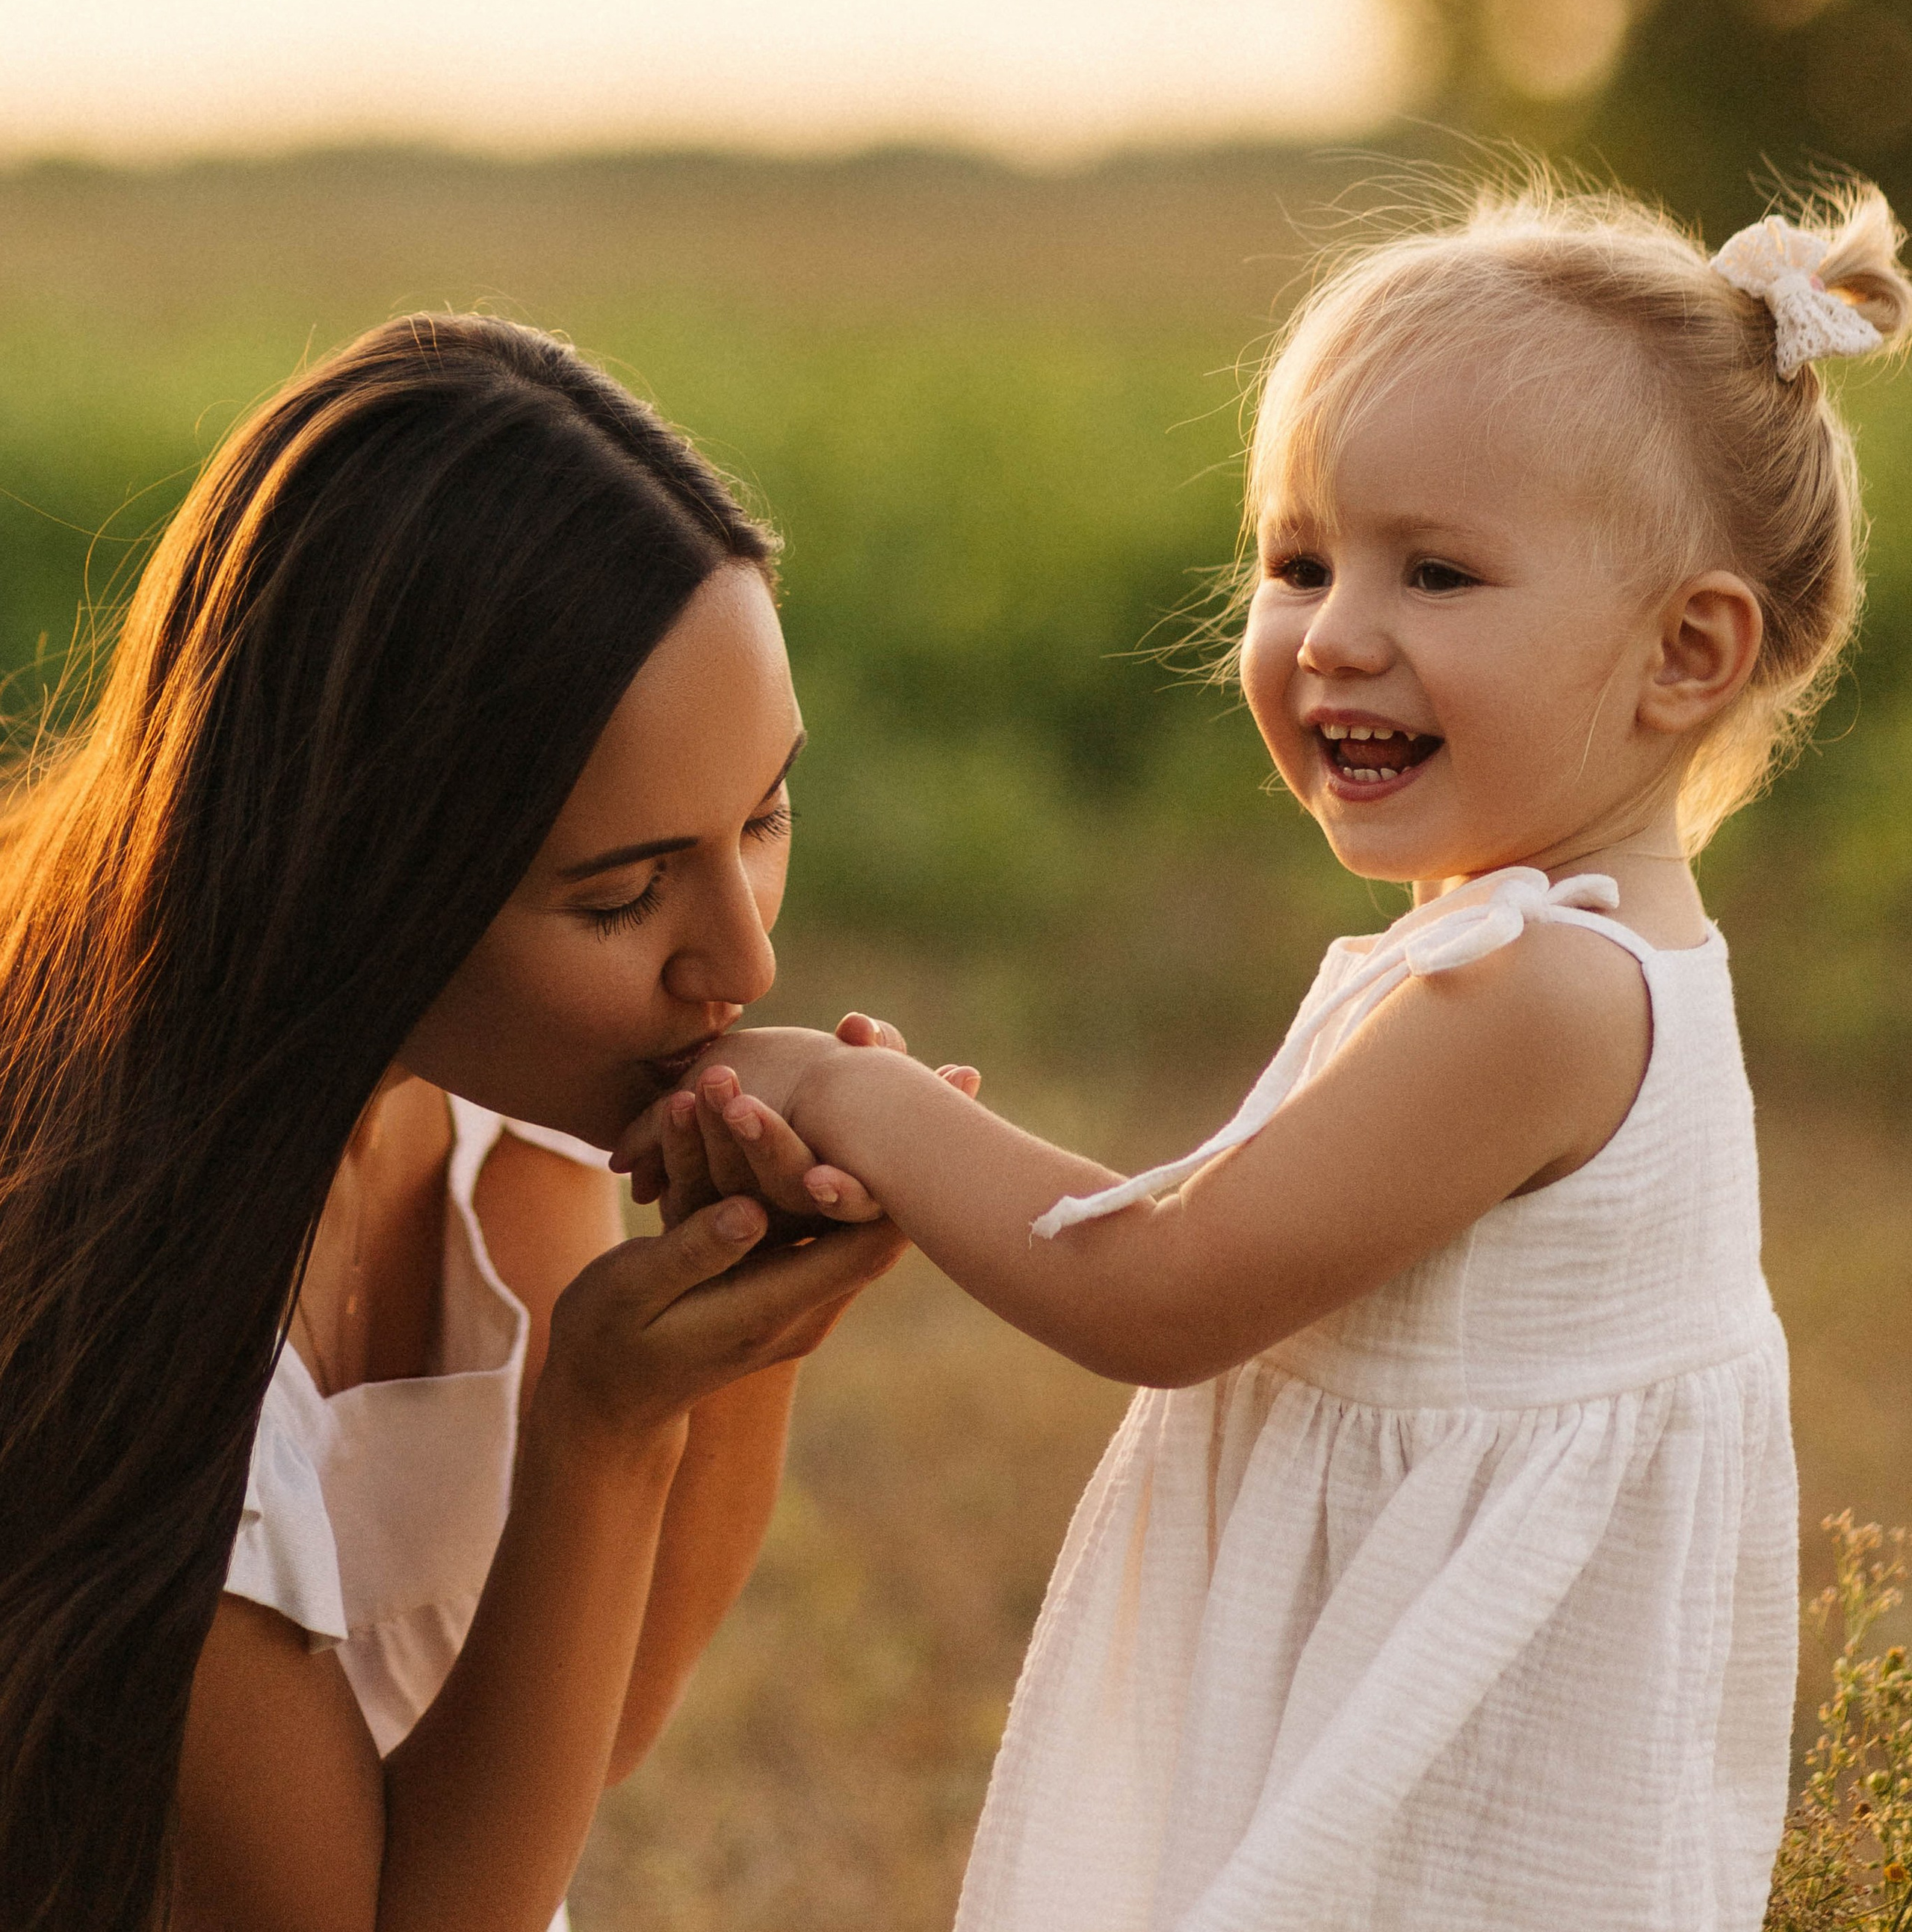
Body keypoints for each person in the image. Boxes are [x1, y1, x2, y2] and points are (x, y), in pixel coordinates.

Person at [628, 182, 1912, 1930]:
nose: (1332, 632)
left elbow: (1160, 1290)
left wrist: (858, 1098)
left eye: (1433, 571)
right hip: (1384, 1702)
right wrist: (907, 1126)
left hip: (1434, 1813)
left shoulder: (1534, 994)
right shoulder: (1543, 958)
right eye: (1296, 559)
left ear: (1686, 651)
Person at [0, 315, 925, 1932]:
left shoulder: (505, 1119)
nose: (745, 956)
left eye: (763, 811)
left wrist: (746, 1335)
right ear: (359, 871)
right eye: (626, 890)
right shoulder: (83, 1259)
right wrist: (606, 1423)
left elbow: (595, 1722)